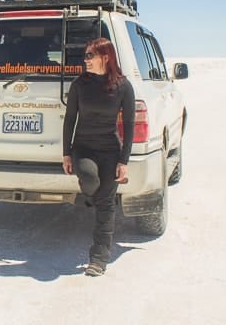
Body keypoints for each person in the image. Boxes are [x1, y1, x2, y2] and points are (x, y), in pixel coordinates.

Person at [62, 37, 135, 277]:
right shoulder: (79, 84)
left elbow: (130, 125)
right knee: (90, 180)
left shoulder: (123, 86)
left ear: (106, 57)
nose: (86, 61)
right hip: (83, 147)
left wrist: (123, 162)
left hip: (110, 150)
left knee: (105, 205)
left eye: (90, 56)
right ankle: (94, 197)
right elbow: (70, 119)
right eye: (85, 56)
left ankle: (98, 258)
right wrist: (67, 153)